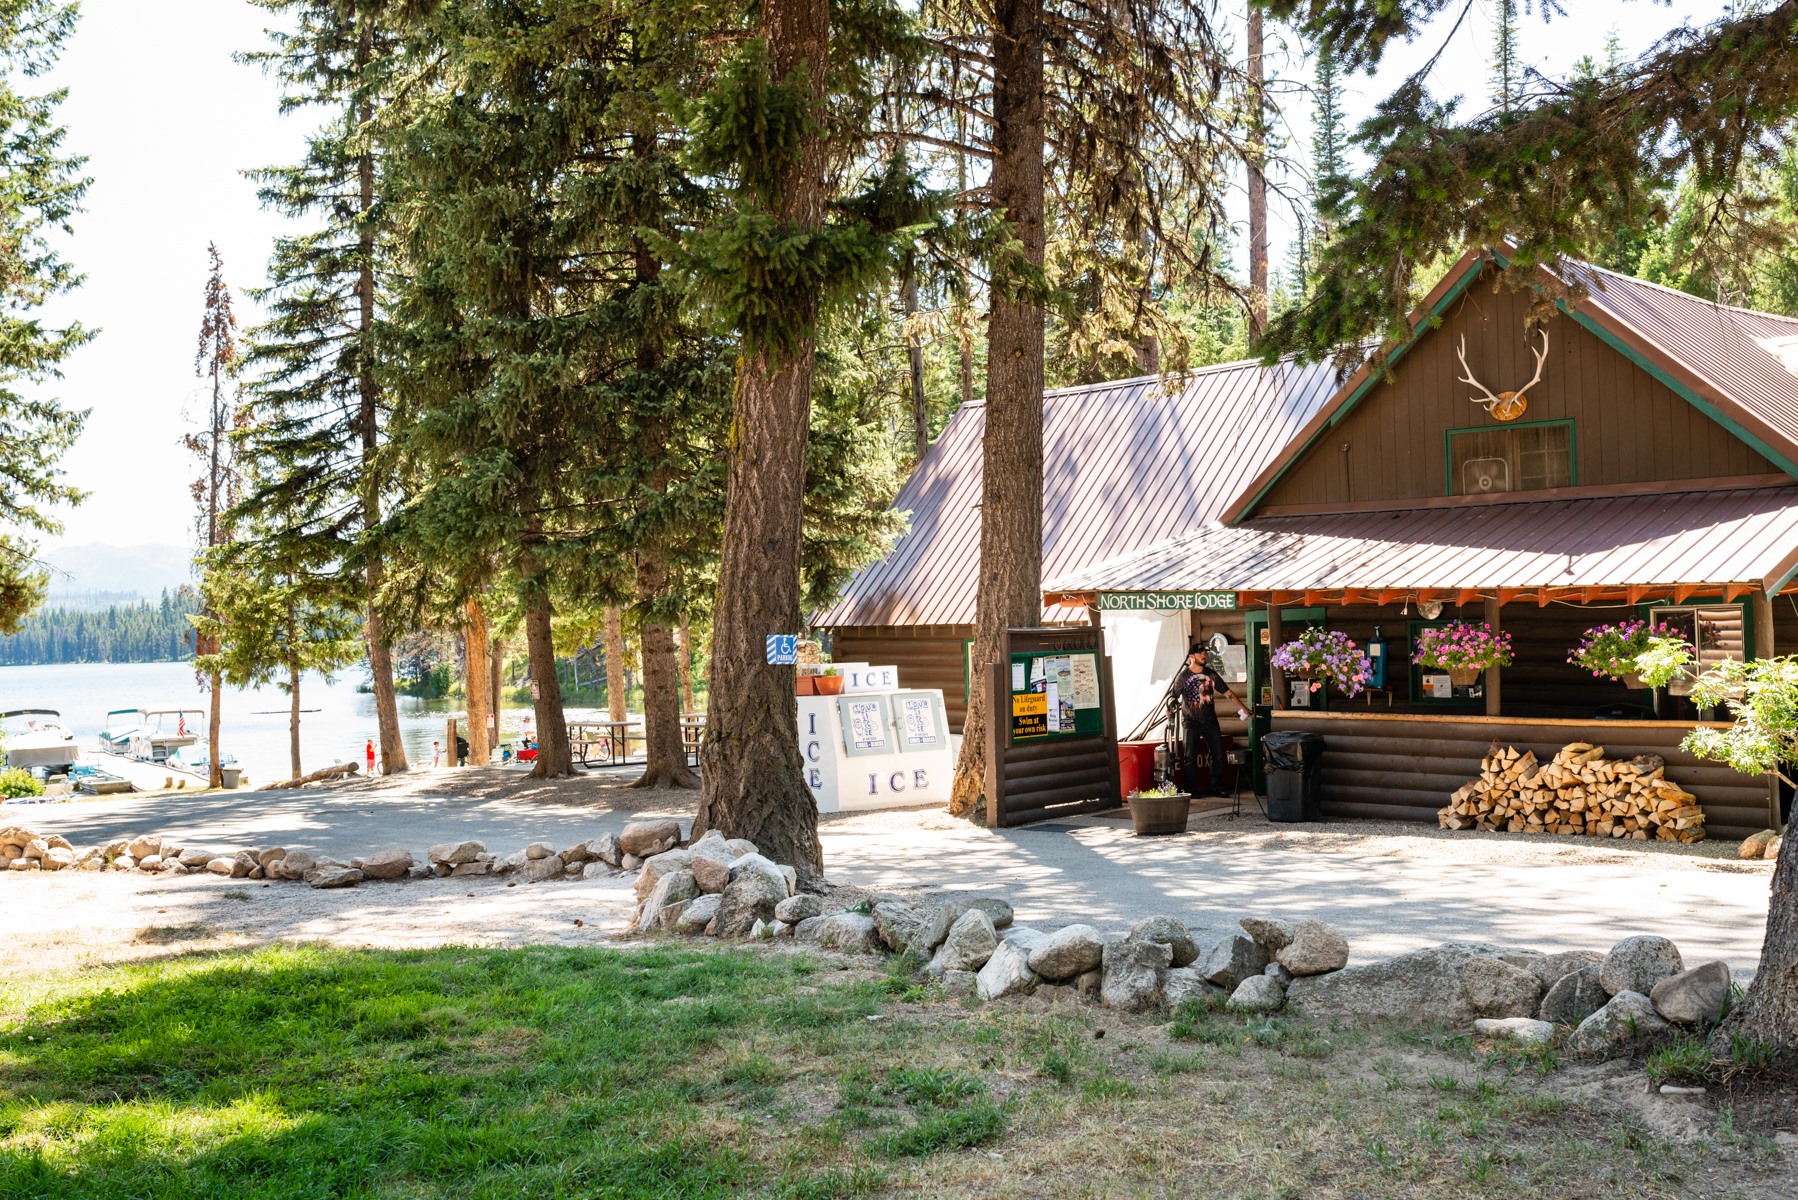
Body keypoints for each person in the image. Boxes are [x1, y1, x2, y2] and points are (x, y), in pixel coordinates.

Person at [1176, 645, 1249, 797]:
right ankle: (1191, 790)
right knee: (1189, 757)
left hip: (1210, 721)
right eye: (1200, 653)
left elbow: (1228, 693)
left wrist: (1243, 708)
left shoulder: (1211, 674)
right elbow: (1173, 695)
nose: (1204, 655)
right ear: (1191, 656)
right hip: (1190, 721)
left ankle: (1217, 787)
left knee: (1217, 755)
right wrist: (1169, 708)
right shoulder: (1183, 676)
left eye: (1205, 652)